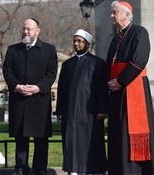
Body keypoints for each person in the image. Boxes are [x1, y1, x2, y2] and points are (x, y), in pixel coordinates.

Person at [3, 18, 58, 175]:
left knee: (40, 139)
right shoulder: (13, 50)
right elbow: (7, 71)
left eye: (29, 29)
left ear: (37, 31)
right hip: (19, 99)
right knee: (21, 137)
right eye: (24, 29)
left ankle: (40, 168)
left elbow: (51, 73)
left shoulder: (48, 50)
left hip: (39, 100)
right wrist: (17, 86)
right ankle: (20, 167)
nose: (25, 31)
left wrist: (38, 87)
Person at [106, 1, 154, 175]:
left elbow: (140, 60)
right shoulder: (115, 38)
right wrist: (110, 82)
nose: (111, 15)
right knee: (118, 133)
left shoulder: (139, 32)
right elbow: (109, 65)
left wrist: (120, 81)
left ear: (126, 14)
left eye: (115, 12)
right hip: (117, 92)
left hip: (133, 88)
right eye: (111, 12)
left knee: (129, 133)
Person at [56, 29, 108, 175]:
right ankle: (73, 170)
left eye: (79, 41)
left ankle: (94, 170)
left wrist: (102, 110)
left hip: (90, 112)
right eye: (74, 41)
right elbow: (62, 89)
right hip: (70, 113)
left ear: (87, 44)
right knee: (72, 142)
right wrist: (60, 110)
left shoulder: (97, 63)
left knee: (91, 143)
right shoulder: (67, 64)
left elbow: (102, 89)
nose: (76, 44)